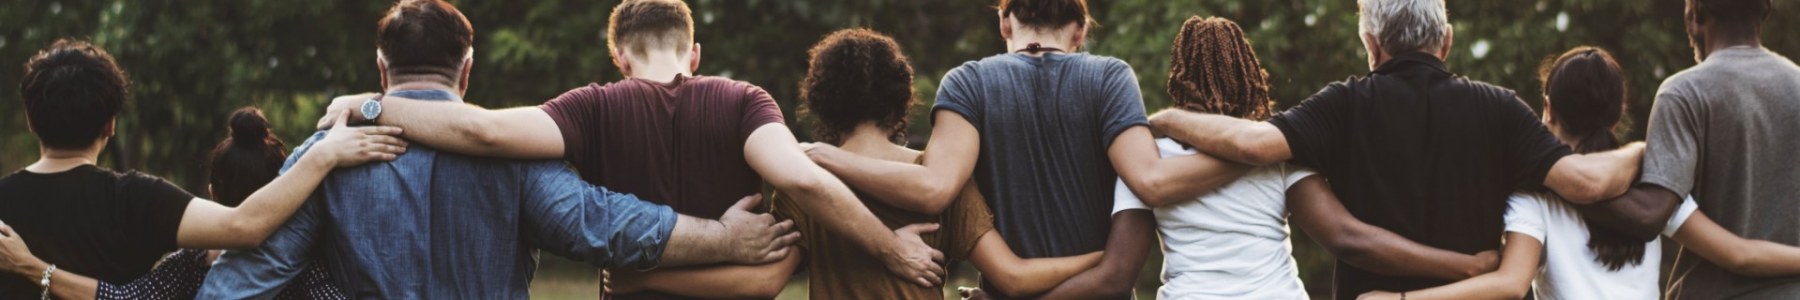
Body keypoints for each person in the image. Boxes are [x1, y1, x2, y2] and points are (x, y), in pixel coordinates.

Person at [318, 0, 943, 298]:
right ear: (694, 55)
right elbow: (802, 179)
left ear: (618, 58)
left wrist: (371, 104)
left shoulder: (589, 107)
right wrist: (894, 250)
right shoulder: (744, 100)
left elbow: (482, 132)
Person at [198, 1, 796, 298]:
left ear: (381, 71)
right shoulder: (516, 161)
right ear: (468, 71)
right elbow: (607, 226)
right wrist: (725, 237)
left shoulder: (326, 153)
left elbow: (241, 284)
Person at [1147, 0, 1653, 298]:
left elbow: (1255, 145)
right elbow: (1586, 183)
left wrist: (1165, 119)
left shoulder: (1342, 105)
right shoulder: (1501, 110)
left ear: (1371, 43)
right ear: (1447, 41)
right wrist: (1642, 150)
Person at [798, 0, 1253, 298]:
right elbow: (1150, 180)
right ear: (1079, 31)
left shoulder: (969, 81)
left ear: (1003, 21)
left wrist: (828, 157)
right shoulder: (1110, 77)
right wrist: (1258, 149)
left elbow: (934, 187)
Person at [608, 28, 1105, 299]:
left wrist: (645, 277)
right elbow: (1014, 278)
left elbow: (762, 283)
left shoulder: (808, 183)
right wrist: (1104, 259)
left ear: (821, 103)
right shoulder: (940, 174)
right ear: (900, 100)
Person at [1358, 46, 1800, 300]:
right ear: (1619, 111)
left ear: (1546, 107)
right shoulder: (1653, 188)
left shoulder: (1534, 194)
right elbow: (1741, 255)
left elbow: (1510, 285)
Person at [0, 38, 406, 299]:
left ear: (31, 120)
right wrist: (324, 154)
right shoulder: (139, 198)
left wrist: (30, 267)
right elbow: (244, 226)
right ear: (111, 123)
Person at [1544, 0, 1800, 298]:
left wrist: (1551, 176)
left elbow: (1650, 215)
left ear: (1696, 12)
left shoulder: (1685, 93)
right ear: (1764, 10)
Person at [0, 107, 347, 299]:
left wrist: (30, 265)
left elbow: (119, 299)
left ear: (212, 193)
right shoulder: (306, 265)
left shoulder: (191, 265)